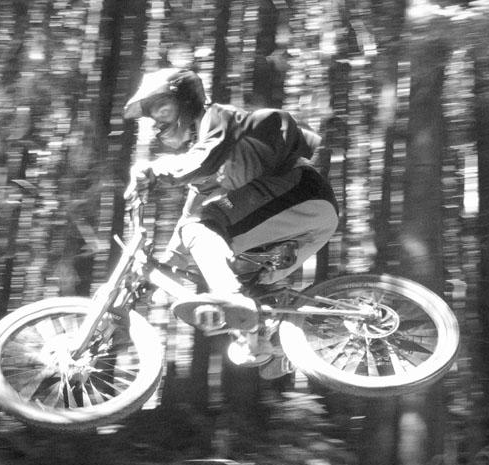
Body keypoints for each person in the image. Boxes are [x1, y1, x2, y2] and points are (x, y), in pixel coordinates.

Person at [123, 68, 339, 369]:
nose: (158, 122)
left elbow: (201, 166)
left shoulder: (218, 119)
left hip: (300, 191)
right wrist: (160, 271)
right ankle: (281, 342)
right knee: (245, 278)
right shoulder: (208, 169)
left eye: (162, 109)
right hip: (306, 220)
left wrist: (156, 169)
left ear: (185, 100)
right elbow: (189, 219)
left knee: (204, 232)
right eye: (153, 117)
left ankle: (233, 298)